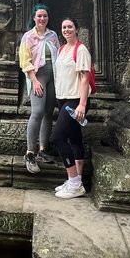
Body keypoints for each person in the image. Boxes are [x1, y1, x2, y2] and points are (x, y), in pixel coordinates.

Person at [18, 3, 60, 174]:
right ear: (34, 18)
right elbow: (24, 61)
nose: (42, 19)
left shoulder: (53, 35)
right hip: (38, 76)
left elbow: (59, 55)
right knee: (37, 112)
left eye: (45, 16)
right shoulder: (28, 37)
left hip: (54, 76)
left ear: (48, 18)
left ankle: (43, 150)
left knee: (49, 112)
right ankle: (30, 152)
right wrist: (34, 81)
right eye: (39, 16)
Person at [52, 16, 91, 199]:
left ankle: (74, 182)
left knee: (58, 137)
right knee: (74, 138)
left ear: (76, 29)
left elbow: (84, 78)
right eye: (64, 27)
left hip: (76, 100)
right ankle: (77, 181)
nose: (66, 30)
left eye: (70, 27)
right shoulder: (62, 49)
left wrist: (82, 104)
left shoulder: (81, 50)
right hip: (63, 99)